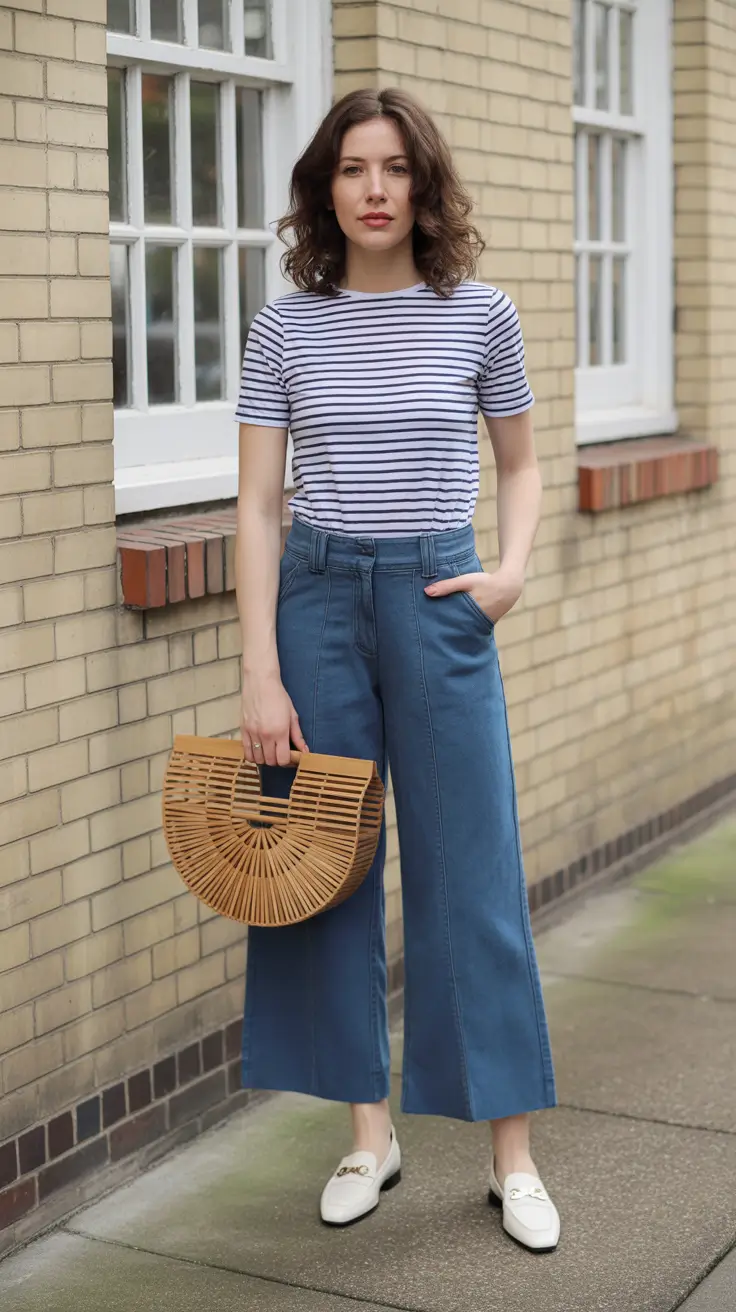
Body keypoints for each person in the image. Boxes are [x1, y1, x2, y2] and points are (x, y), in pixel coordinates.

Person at [234, 86, 559, 1252]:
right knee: (324, 870)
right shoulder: (286, 327)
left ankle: (511, 1156)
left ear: (424, 185)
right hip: (316, 602)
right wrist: (258, 669)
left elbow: (519, 465)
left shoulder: (480, 313)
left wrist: (509, 568)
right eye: (352, 169)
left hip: (435, 599)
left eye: (395, 168)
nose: (374, 189)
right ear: (325, 188)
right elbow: (260, 507)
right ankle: (368, 1135)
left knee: (471, 868)